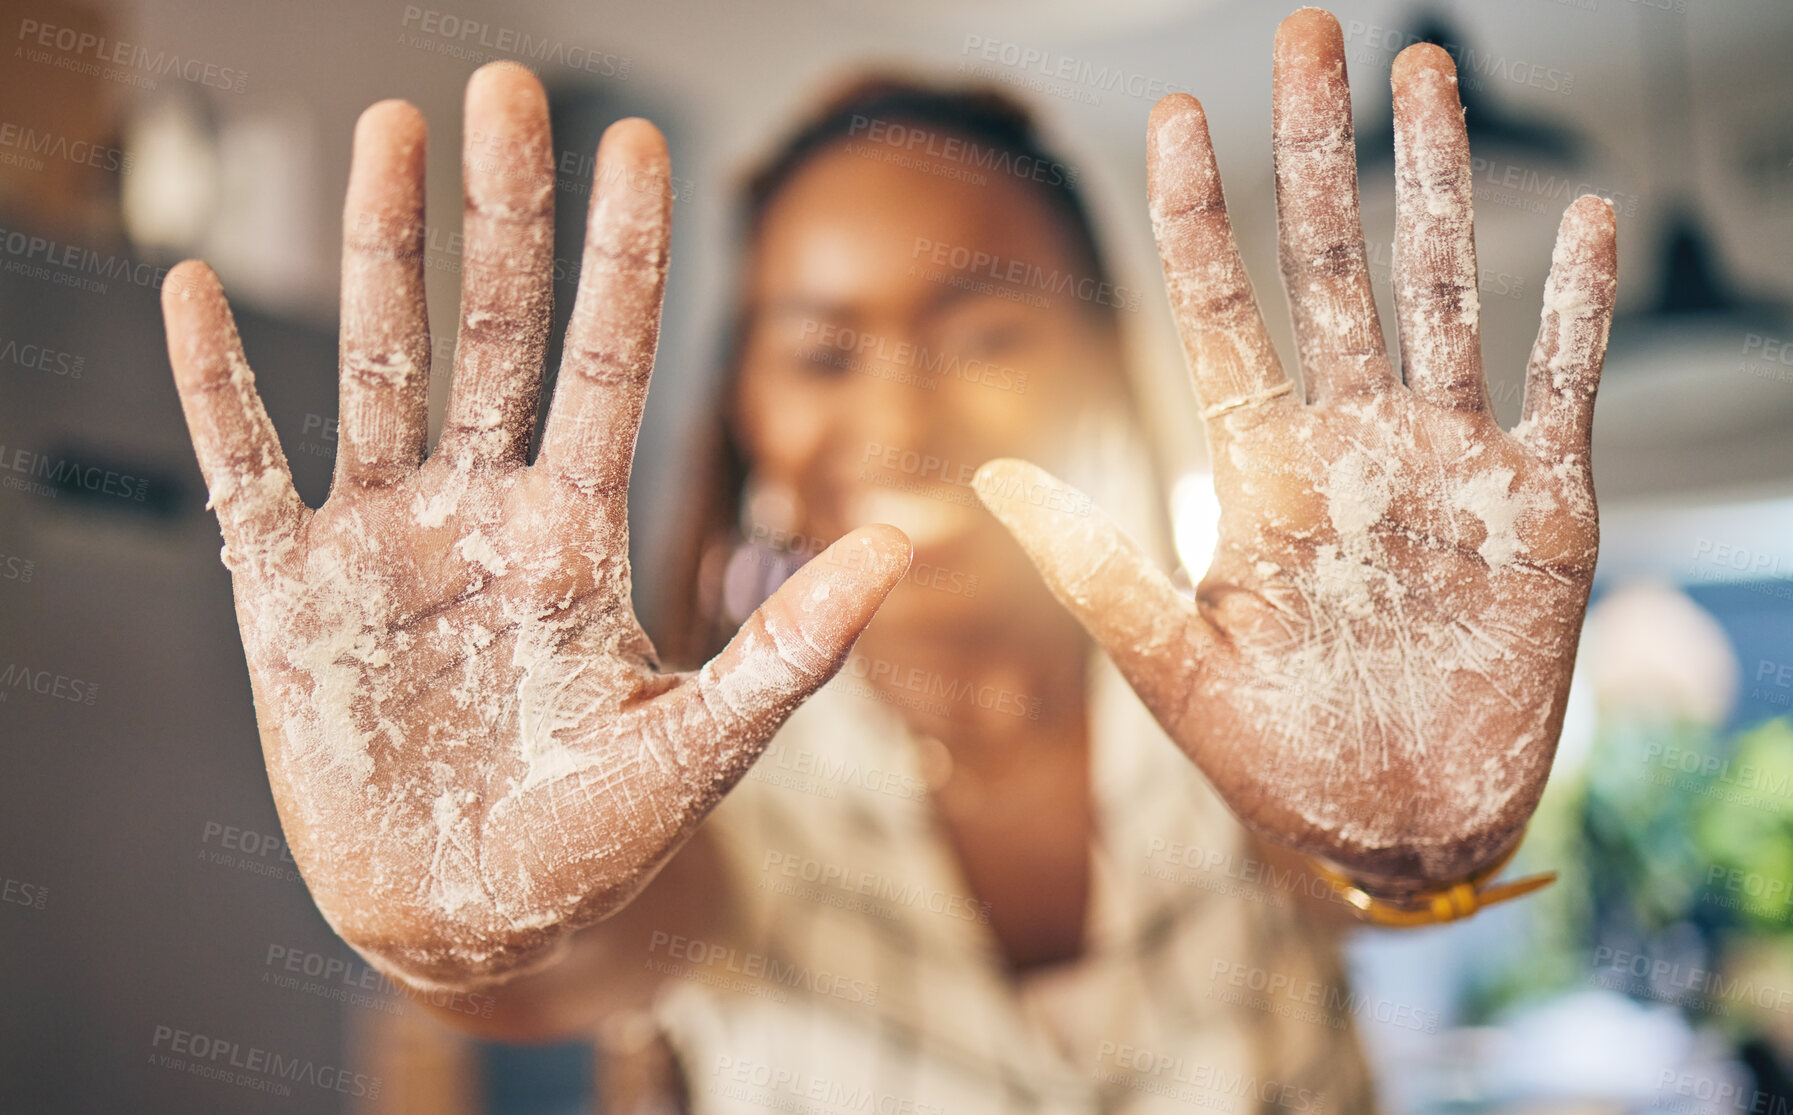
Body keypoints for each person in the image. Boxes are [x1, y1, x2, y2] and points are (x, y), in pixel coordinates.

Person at [158, 8, 1616, 1112]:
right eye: (821, 351)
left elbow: (1340, 887)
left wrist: (1405, 849)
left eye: (984, 332)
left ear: (1100, 362)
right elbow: (601, 952)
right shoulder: (686, 785)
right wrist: (465, 941)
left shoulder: (1261, 699)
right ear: (749, 416)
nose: (901, 414)